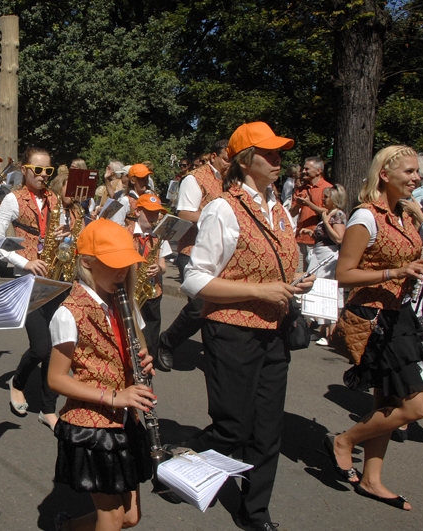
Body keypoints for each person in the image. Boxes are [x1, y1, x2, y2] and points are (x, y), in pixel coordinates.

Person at [180, 122, 312, 531]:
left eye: (279, 153)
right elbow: (194, 279)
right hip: (232, 331)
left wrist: (295, 282)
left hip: (274, 331)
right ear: (244, 160)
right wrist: (261, 290)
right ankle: (182, 465)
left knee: (268, 429)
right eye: (269, 154)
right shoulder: (223, 207)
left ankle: (255, 512)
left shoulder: (279, 209)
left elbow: (283, 261)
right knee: (233, 426)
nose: (278, 160)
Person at [328, 145, 423, 512]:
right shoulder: (365, 217)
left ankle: (372, 479)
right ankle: (344, 441)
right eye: (409, 172)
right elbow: (344, 274)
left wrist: (421, 259)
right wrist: (396, 272)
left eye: (417, 172)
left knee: (387, 401)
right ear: (384, 175)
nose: (416, 178)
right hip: (373, 318)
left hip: (399, 315)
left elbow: (406, 260)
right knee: (416, 406)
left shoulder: (404, 215)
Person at [47, 218, 155, 531]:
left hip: (125, 419)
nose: (122, 272)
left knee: (131, 517)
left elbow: (133, 356)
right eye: (114, 265)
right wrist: (113, 395)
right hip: (91, 426)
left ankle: (67, 528)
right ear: (87, 263)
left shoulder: (123, 302)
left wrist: (143, 365)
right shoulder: (70, 311)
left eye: (127, 265)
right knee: (112, 518)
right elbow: (55, 379)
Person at [0, 147, 66, 430]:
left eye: (49, 171)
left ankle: (48, 408)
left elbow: (64, 234)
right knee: (40, 348)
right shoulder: (12, 199)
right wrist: (24, 261)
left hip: (56, 281)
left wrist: (65, 235)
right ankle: (18, 381)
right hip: (27, 282)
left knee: (58, 346)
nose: (44, 176)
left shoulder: (55, 199)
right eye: (38, 170)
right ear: (25, 169)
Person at [156, 140, 230, 371]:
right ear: (213, 157)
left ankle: (215, 354)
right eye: (227, 158)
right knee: (199, 305)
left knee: (219, 307)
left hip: (223, 253)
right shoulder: (194, 178)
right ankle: (167, 342)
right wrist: (219, 218)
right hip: (193, 250)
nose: (230, 162)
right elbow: (185, 213)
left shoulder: (232, 179)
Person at [300, 184, 347, 345]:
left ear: (334, 199)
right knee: (319, 289)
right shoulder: (328, 214)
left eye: (326, 197)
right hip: (319, 253)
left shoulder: (338, 215)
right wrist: (311, 233)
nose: (323, 199)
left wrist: (326, 223)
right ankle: (323, 328)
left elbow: (339, 238)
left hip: (329, 257)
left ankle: (331, 332)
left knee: (328, 291)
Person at [132, 193, 171, 360]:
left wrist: (159, 269)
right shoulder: (125, 233)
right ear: (137, 212)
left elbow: (163, 266)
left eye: (156, 213)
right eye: (149, 212)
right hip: (132, 290)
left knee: (151, 333)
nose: (153, 217)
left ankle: (151, 361)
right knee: (134, 332)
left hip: (152, 291)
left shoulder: (159, 237)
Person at [290, 156, 330, 271]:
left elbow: (329, 214)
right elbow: (291, 214)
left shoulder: (328, 189)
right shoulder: (301, 189)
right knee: (297, 276)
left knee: (314, 276)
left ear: (318, 171)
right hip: (299, 238)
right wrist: (298, 205)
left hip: (318, 241)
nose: (303, 171)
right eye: (303, 169)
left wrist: (309, 204)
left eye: (307, 169)